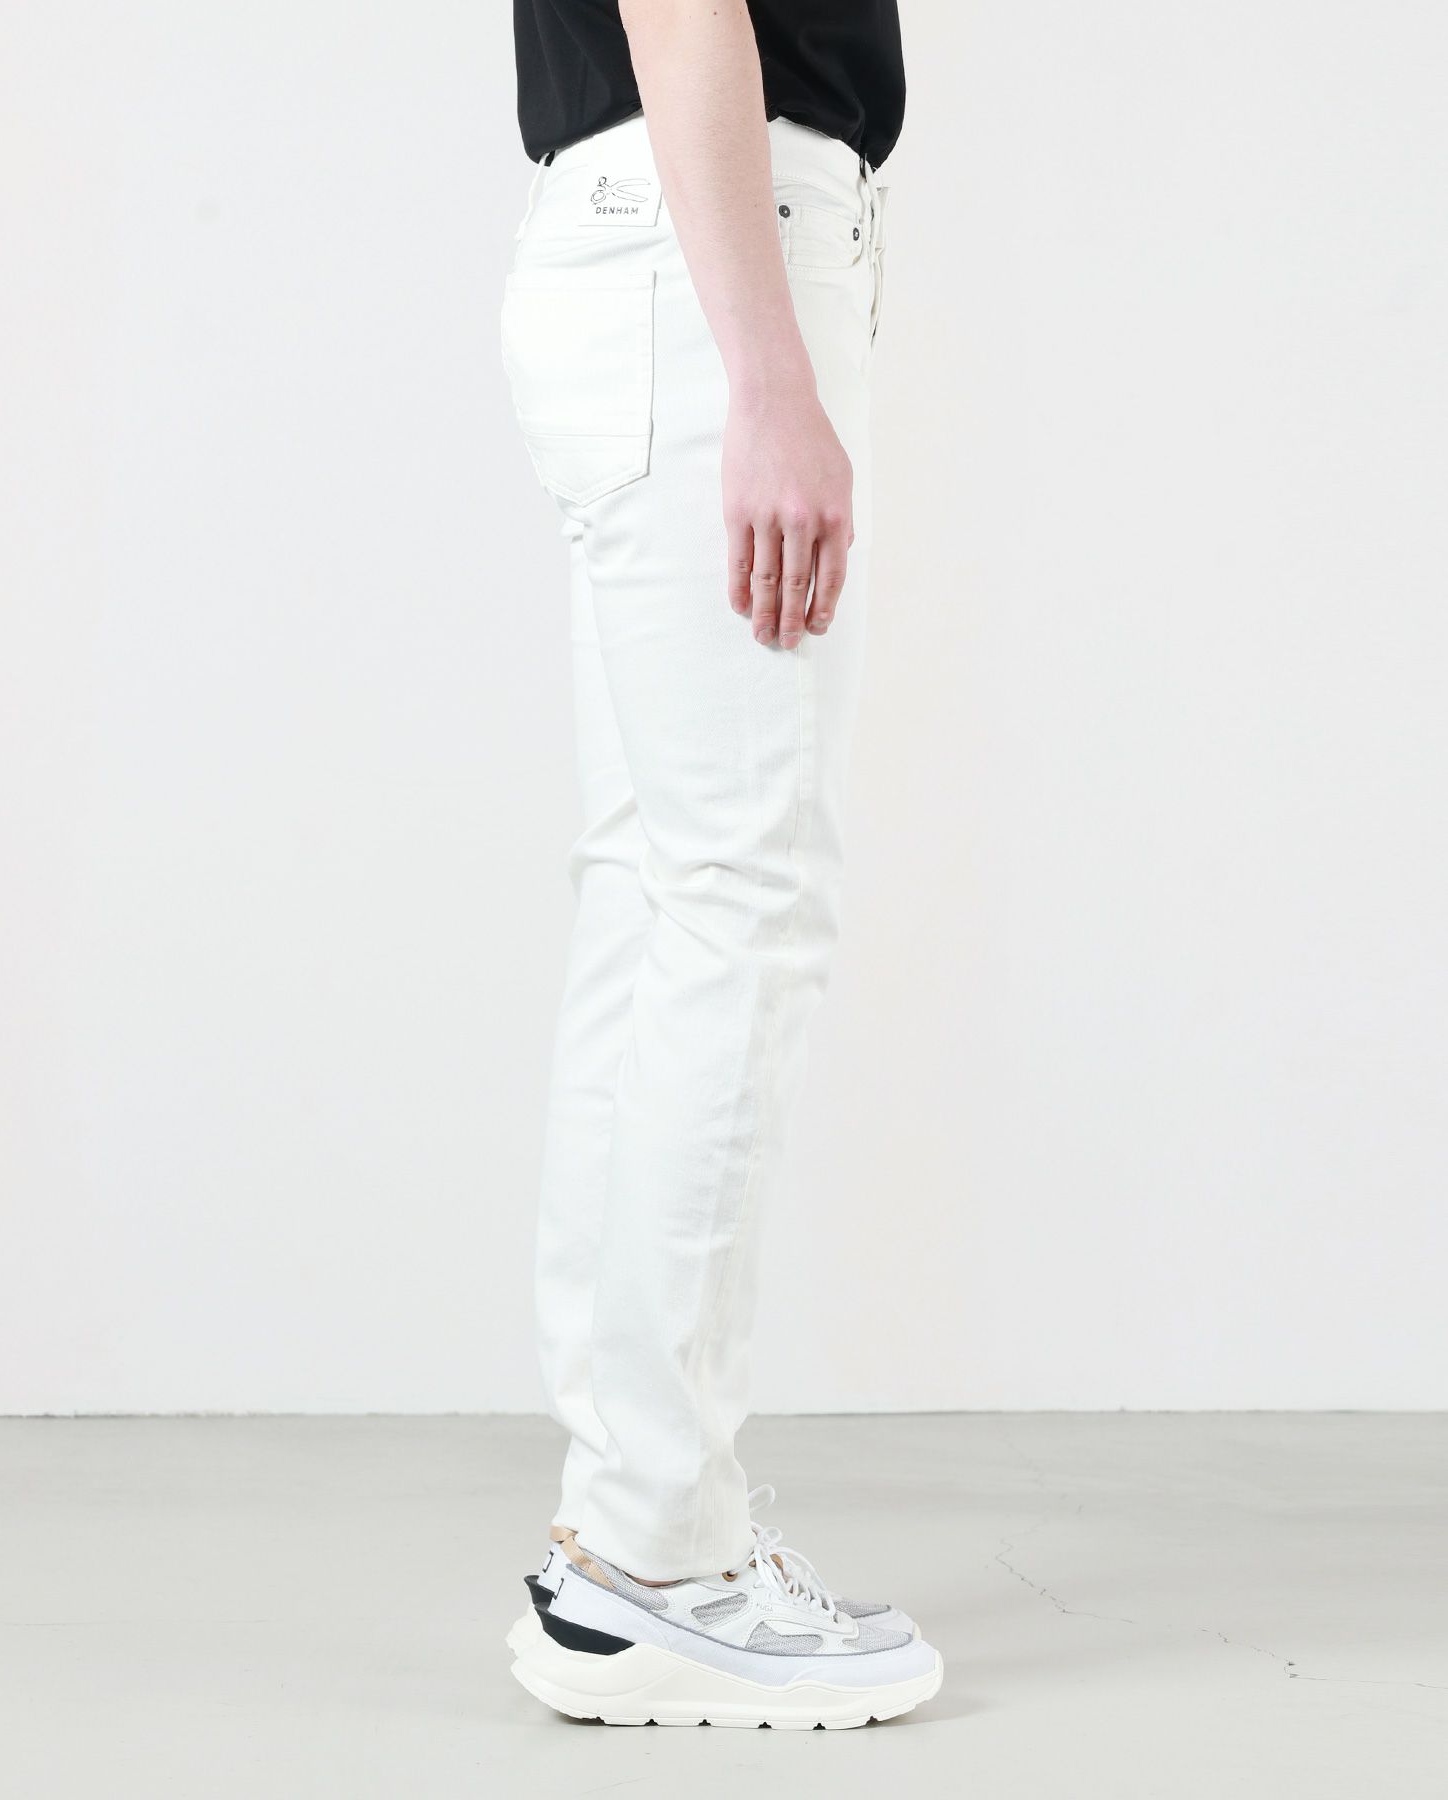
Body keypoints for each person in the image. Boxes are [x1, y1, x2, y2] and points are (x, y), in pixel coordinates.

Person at [500, 0, 940, 1727]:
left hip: (644, 243)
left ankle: (621, 1535)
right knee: (740, 900)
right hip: (707, 255)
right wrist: (768, 375)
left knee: (659, 896)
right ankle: (656, 1558)